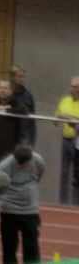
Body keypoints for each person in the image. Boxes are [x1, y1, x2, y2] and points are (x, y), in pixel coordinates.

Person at [0, 143, 44, 264]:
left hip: (30, 211)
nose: (22, 165)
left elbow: (40, 174)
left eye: (25, 163)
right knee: (9, 247)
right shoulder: (3, 167)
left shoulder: (37, 160)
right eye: (20, 163)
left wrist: (30, 189)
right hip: (9, 211)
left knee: (32, 247)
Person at [54, 75, 79, 204]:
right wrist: (70, 118)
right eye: (72, 86)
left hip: (78, 142)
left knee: (77, 174)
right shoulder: (65, 100)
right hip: (66, 139)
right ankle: (62, 203)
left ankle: (76, 205)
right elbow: (57, 118)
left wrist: (68, 117)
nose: (73, 89)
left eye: (76, 87)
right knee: (64, 172)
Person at [0, 79, 24, 164]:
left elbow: (23, 110)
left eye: (5, 88)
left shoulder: (15, 101)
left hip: (11, 144)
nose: (2, 90)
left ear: (10, 90)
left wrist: (7, 111)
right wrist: (2, 108)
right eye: (0, 88)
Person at [11, 65, 37, 146]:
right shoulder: (8, 94)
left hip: (23, 137)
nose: (22, 79)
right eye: (19, 76)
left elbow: (32, 120)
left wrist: (32, 140)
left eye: (23, 77)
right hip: (9, 135)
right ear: (13, 77)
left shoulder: (28, 96)